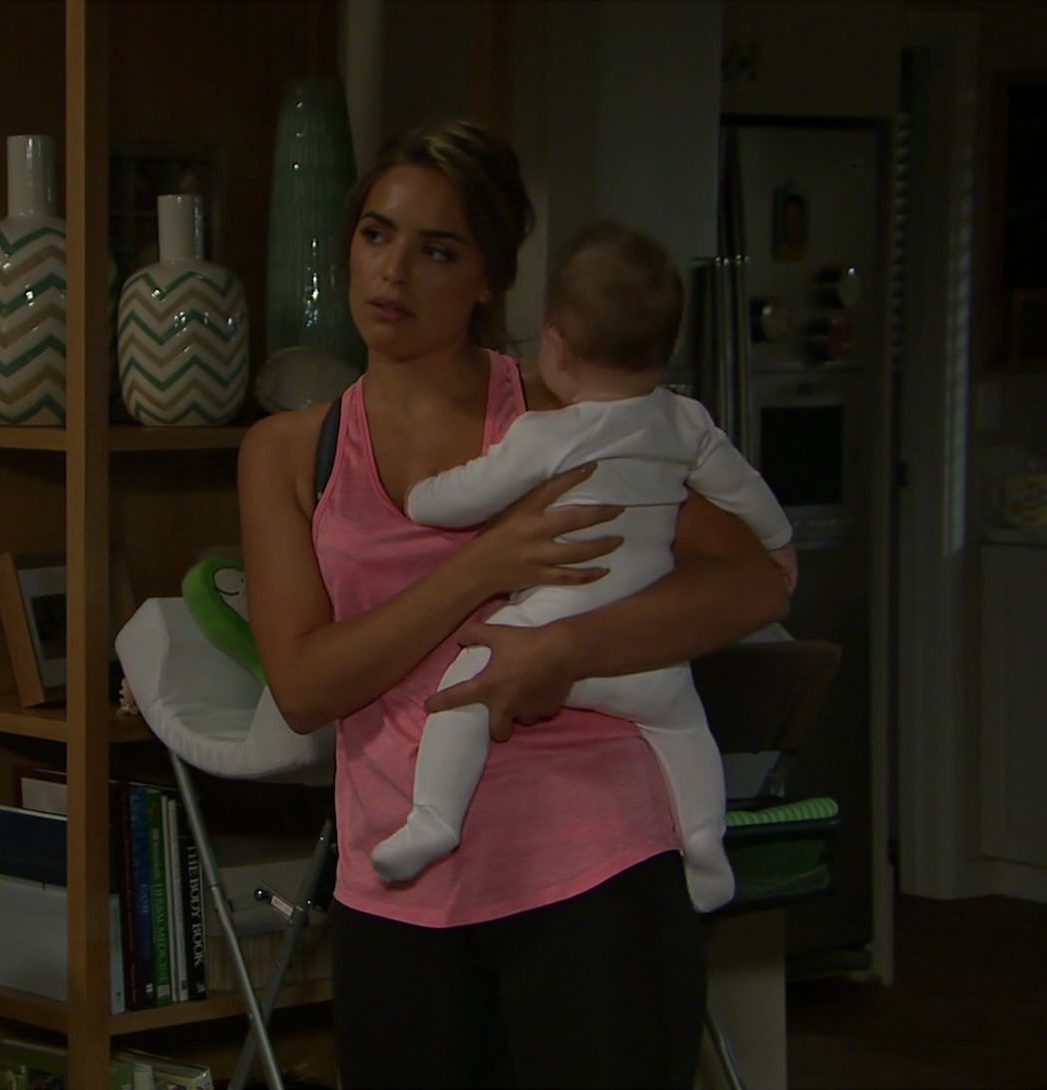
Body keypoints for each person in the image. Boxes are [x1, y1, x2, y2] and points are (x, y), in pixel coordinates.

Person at [237, 121, 790, 1088]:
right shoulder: (289, 451)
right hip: (396, 885)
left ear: (488, 277)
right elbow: (303, 687)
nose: (393, 273)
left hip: (594, 864)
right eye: (376, 234)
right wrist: (478, 568)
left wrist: (568, 649)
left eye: (437, 250)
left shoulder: (572, 413)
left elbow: (756, 579)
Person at [369, 220, 798, 913]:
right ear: (668, 347)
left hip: (545, 630)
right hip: (638, 650)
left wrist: (419, 496)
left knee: (463, 691)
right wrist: (780, 541)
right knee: (684, 730)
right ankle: (704, 841)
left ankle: (434, 819)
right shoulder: (686, 422)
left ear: (557, 346)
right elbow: (745, 490)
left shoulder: (547, 432)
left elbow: (471, 493)